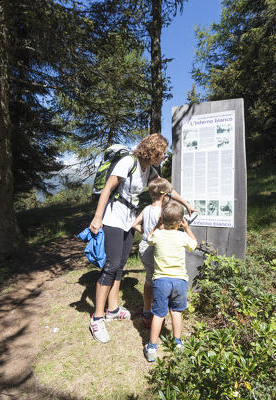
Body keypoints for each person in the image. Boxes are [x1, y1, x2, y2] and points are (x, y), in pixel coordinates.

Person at [88, 133, 193, 343]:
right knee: (110, 265)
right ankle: (97, 318)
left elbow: (168, 191)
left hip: (128, 219)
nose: (164, 157)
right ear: (153, 150)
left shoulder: (149, 170)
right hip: (113, 217)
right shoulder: (129, 162)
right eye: (162, 153)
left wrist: (186, 205)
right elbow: (108, 188)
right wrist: (97, 217)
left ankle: (113, 309)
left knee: (120, 266)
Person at [143, 200, 198, 362]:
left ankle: (152, 347)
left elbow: (148, 239)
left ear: (162, 218)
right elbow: (194, 244)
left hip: (161, 281)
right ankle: (178, 342)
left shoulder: (158, 235)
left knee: (159, 314)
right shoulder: (182, 236)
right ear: (180, 222)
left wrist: (156, 226)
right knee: (176, 311)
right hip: (180, 281)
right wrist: (187, 228)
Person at [131, 177, 174, 328]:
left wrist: (145, 233)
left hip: (144, 247)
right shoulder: (163, 212)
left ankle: (146, 311)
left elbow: (135, 224)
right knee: (160, 280)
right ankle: (159, 313)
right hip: (157, 248)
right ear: (164, 195)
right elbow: (163, 233)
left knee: (149, 279)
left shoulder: (146, 209)